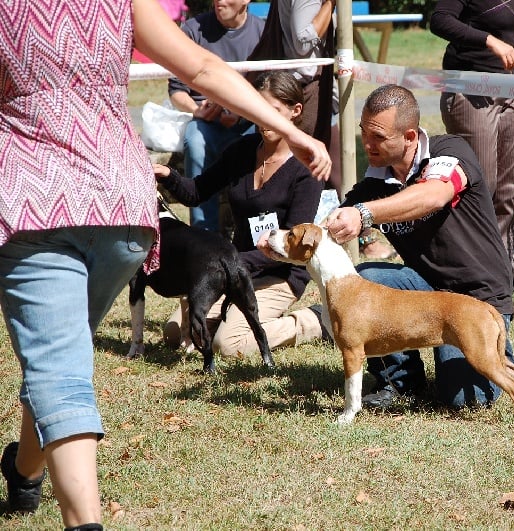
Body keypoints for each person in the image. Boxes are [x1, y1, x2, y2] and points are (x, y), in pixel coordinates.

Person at [0, 1, 330, 529]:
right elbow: (201, 67)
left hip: (35, 201)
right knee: (61, 352)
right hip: (122, 208)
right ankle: (23, 472)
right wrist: (287, 129)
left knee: (58, 367)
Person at [322, 84, 514, 410]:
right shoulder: (374, 183)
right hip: (425, 292)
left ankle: (496, 351)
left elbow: (434, 195)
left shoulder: (450, 152)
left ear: (410, 136)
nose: (367, 144)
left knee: (464, 400)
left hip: (477, 296)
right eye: (364, 133)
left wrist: (364, 214)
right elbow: (329, 227)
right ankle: (399, 382)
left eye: (379, 137)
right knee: (369, 277)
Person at [156, 71, 328, 355]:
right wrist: (168, 175)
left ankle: (312, 321)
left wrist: (223, 264)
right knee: (175, 333)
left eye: (272, 111)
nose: (264, 120)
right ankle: (223, 320)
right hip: (234, 269)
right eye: (258, 111)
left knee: (229, 344)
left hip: (280, 273)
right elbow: (197, 192)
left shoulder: (306, 170)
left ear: (296, 111)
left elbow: (294, 248)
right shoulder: (241, 152)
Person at [430, 0, 514, 269]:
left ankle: (502, 270)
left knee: (509, 189)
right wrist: (489, 41)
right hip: (472, 86)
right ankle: (468, 267)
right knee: (480, 186)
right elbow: (439, 20)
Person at [168, 0, 266, 234]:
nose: (219, 1)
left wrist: (242, 113)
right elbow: (176, 91)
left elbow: (269, 90)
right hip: (206, 123)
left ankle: (259, 231)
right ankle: (204, 233)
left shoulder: (262, 32)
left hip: (250, 120)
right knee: (196, 141)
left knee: (267, 142)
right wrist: (196, 110)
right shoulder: (192, 29)